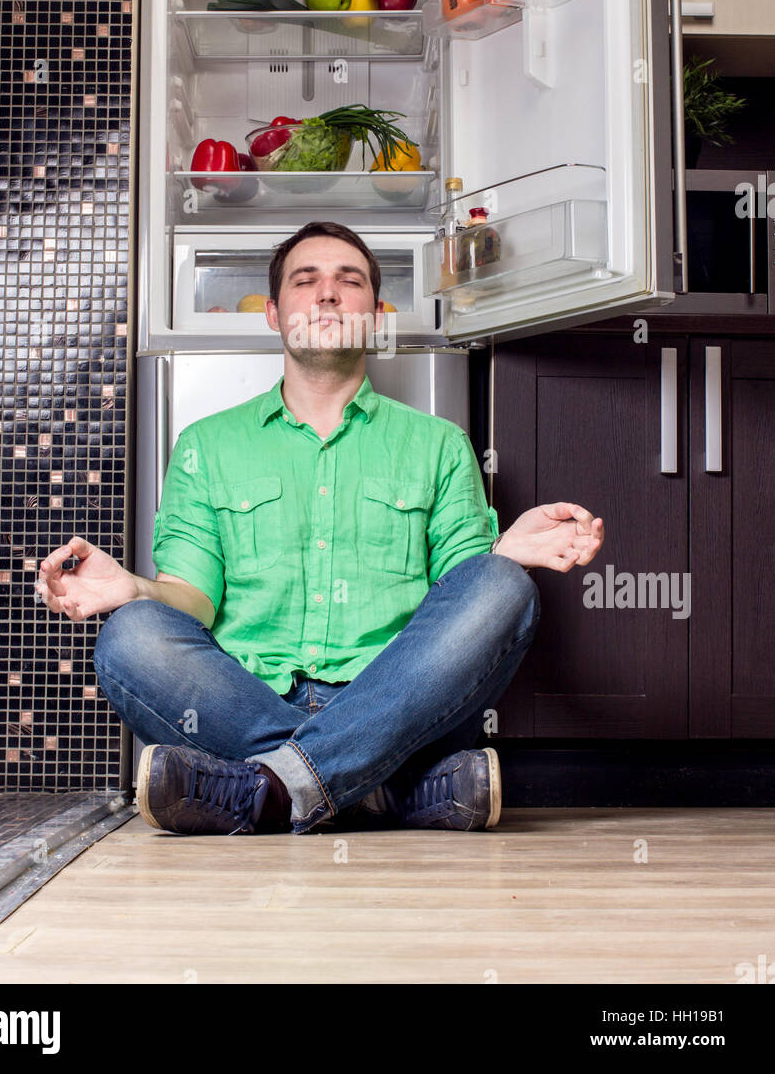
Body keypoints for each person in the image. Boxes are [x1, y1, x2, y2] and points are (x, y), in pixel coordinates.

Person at [37, 221, 604, 837]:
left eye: (349, 281)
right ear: (275, 315)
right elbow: (192, 601)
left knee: (501, 585)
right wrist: (134, 590)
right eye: (305, 281)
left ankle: (269, 788)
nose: (327, 294)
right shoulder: (206, 445)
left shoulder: (439, 445)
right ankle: (382, 787)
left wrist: (503, 553)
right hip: (245, 701)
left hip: (396, 698)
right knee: (131, 635)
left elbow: (460, 602)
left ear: (376, 315)